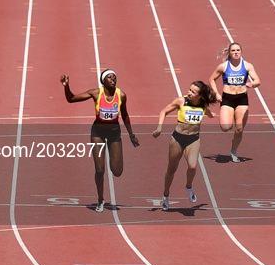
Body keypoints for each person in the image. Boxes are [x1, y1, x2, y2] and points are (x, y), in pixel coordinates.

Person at [60, 69, 140, 212]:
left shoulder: (121, 95)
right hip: (98, 132)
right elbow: (71, 99)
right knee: (99, 169)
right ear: (103, 80)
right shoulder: (96, 93)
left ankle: (113, 158)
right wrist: (66, 86)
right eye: (109, 77)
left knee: (117, 171)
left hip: (114, 133)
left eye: (115, 77)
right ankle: (100, 199)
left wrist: (131, 135)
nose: (113, 79)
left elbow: (125, 115)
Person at [153, 81, 215, 211]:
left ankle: (188, 186)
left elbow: (208, 112)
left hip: (193, 139)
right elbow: (164, 111)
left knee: (192, 166)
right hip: (178, 138)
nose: (189, 93)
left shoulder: (202, 105)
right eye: (189, 90)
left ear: (200, 96)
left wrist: (211, 115)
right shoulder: (181, 101)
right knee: (171, 170)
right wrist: (159, 127)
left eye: (193, 92)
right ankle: (165, 195)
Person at [208, 42, 261, 162]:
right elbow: (211, 79)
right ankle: (228, 117)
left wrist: (251, 84)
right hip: (227, 98)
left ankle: (233, 150)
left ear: (241, 52)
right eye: (233, 51)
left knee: (239, 128)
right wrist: (216, 93)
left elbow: (258, 80)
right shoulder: (223, 66)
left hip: (242, 99)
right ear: (229, 53)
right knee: (226, 127)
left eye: (238, 50)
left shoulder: (247, 66)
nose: (236, 52)